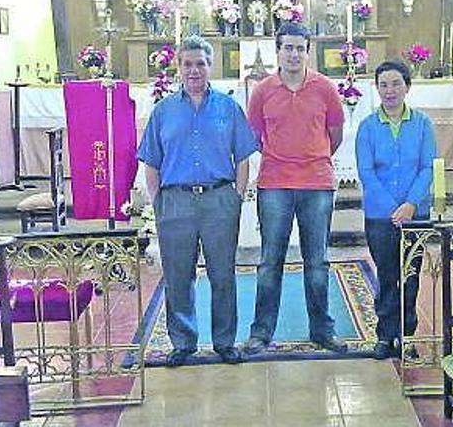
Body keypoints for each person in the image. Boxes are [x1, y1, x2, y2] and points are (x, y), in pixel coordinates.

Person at [138, 35, 258, 367]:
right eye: (187, 64)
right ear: (178, 67)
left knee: (223, 274)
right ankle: (183, 341)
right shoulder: (163, 112)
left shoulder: (228, 108)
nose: (194, 70)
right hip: (175, 202)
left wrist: (236, 196)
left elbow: (244, 156)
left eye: (200, 64)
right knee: (178, 275)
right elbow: (151, 162)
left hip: (220, 200)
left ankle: (224, 341)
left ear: (210, 66)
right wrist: (158, 201)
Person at [244, 22, 348, 355]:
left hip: (316, 184)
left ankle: (322, 330)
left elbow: (335, 133)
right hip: (274, 183)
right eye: (287, 47)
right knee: (269, 261)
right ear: (278, 51)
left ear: (308, 51)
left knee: (316, 261)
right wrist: (284, 158)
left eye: (299, 48)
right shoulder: (262, 90)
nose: (293, 54)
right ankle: (261, 333)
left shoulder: (325, 88)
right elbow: (255, 135)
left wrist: (312, 158)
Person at [355, 61, 436, 359]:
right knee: (388, 275)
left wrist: (411, 204)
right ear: (377, 89)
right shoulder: (367, 127)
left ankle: (407, 335)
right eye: (384, 85)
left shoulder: (423, 124)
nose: (389, 90)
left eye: (395, 84)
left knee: (411, 276)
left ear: (407, 87)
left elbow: (428, 166)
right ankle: (385, 335)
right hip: (380, 216)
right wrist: (393, 208)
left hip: (415, 214)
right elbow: (367, 172)